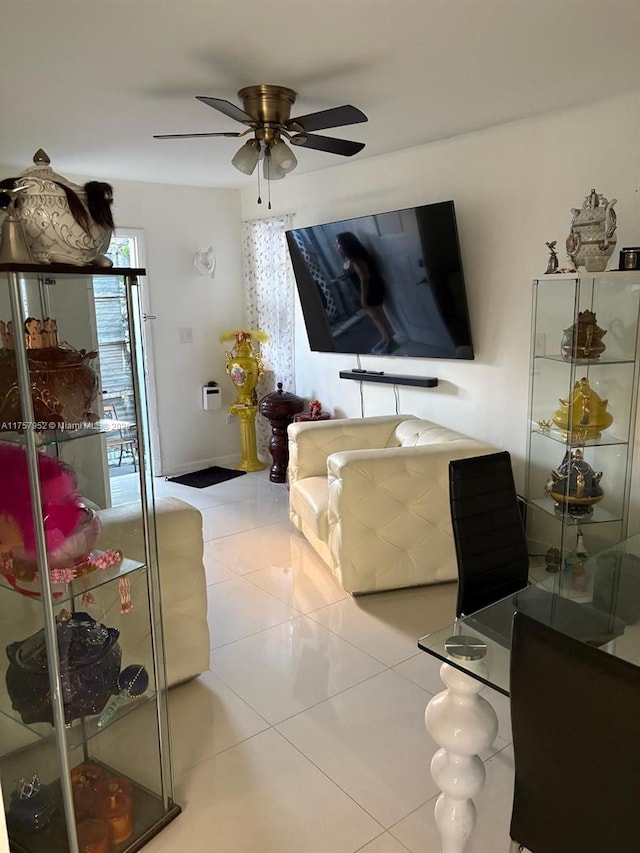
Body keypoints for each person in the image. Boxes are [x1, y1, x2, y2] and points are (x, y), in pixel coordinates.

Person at [335, 232, 396, 354]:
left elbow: (364, 279)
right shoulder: (348, 258)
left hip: (370, 289)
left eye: (338, 244)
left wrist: (363, 298)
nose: (336, 247)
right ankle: (385, 339)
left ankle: (391, 342)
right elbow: (355, 275)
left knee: (378, 317)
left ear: (346, 245)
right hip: (364, 289)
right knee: (374, 317)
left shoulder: (357, 259)